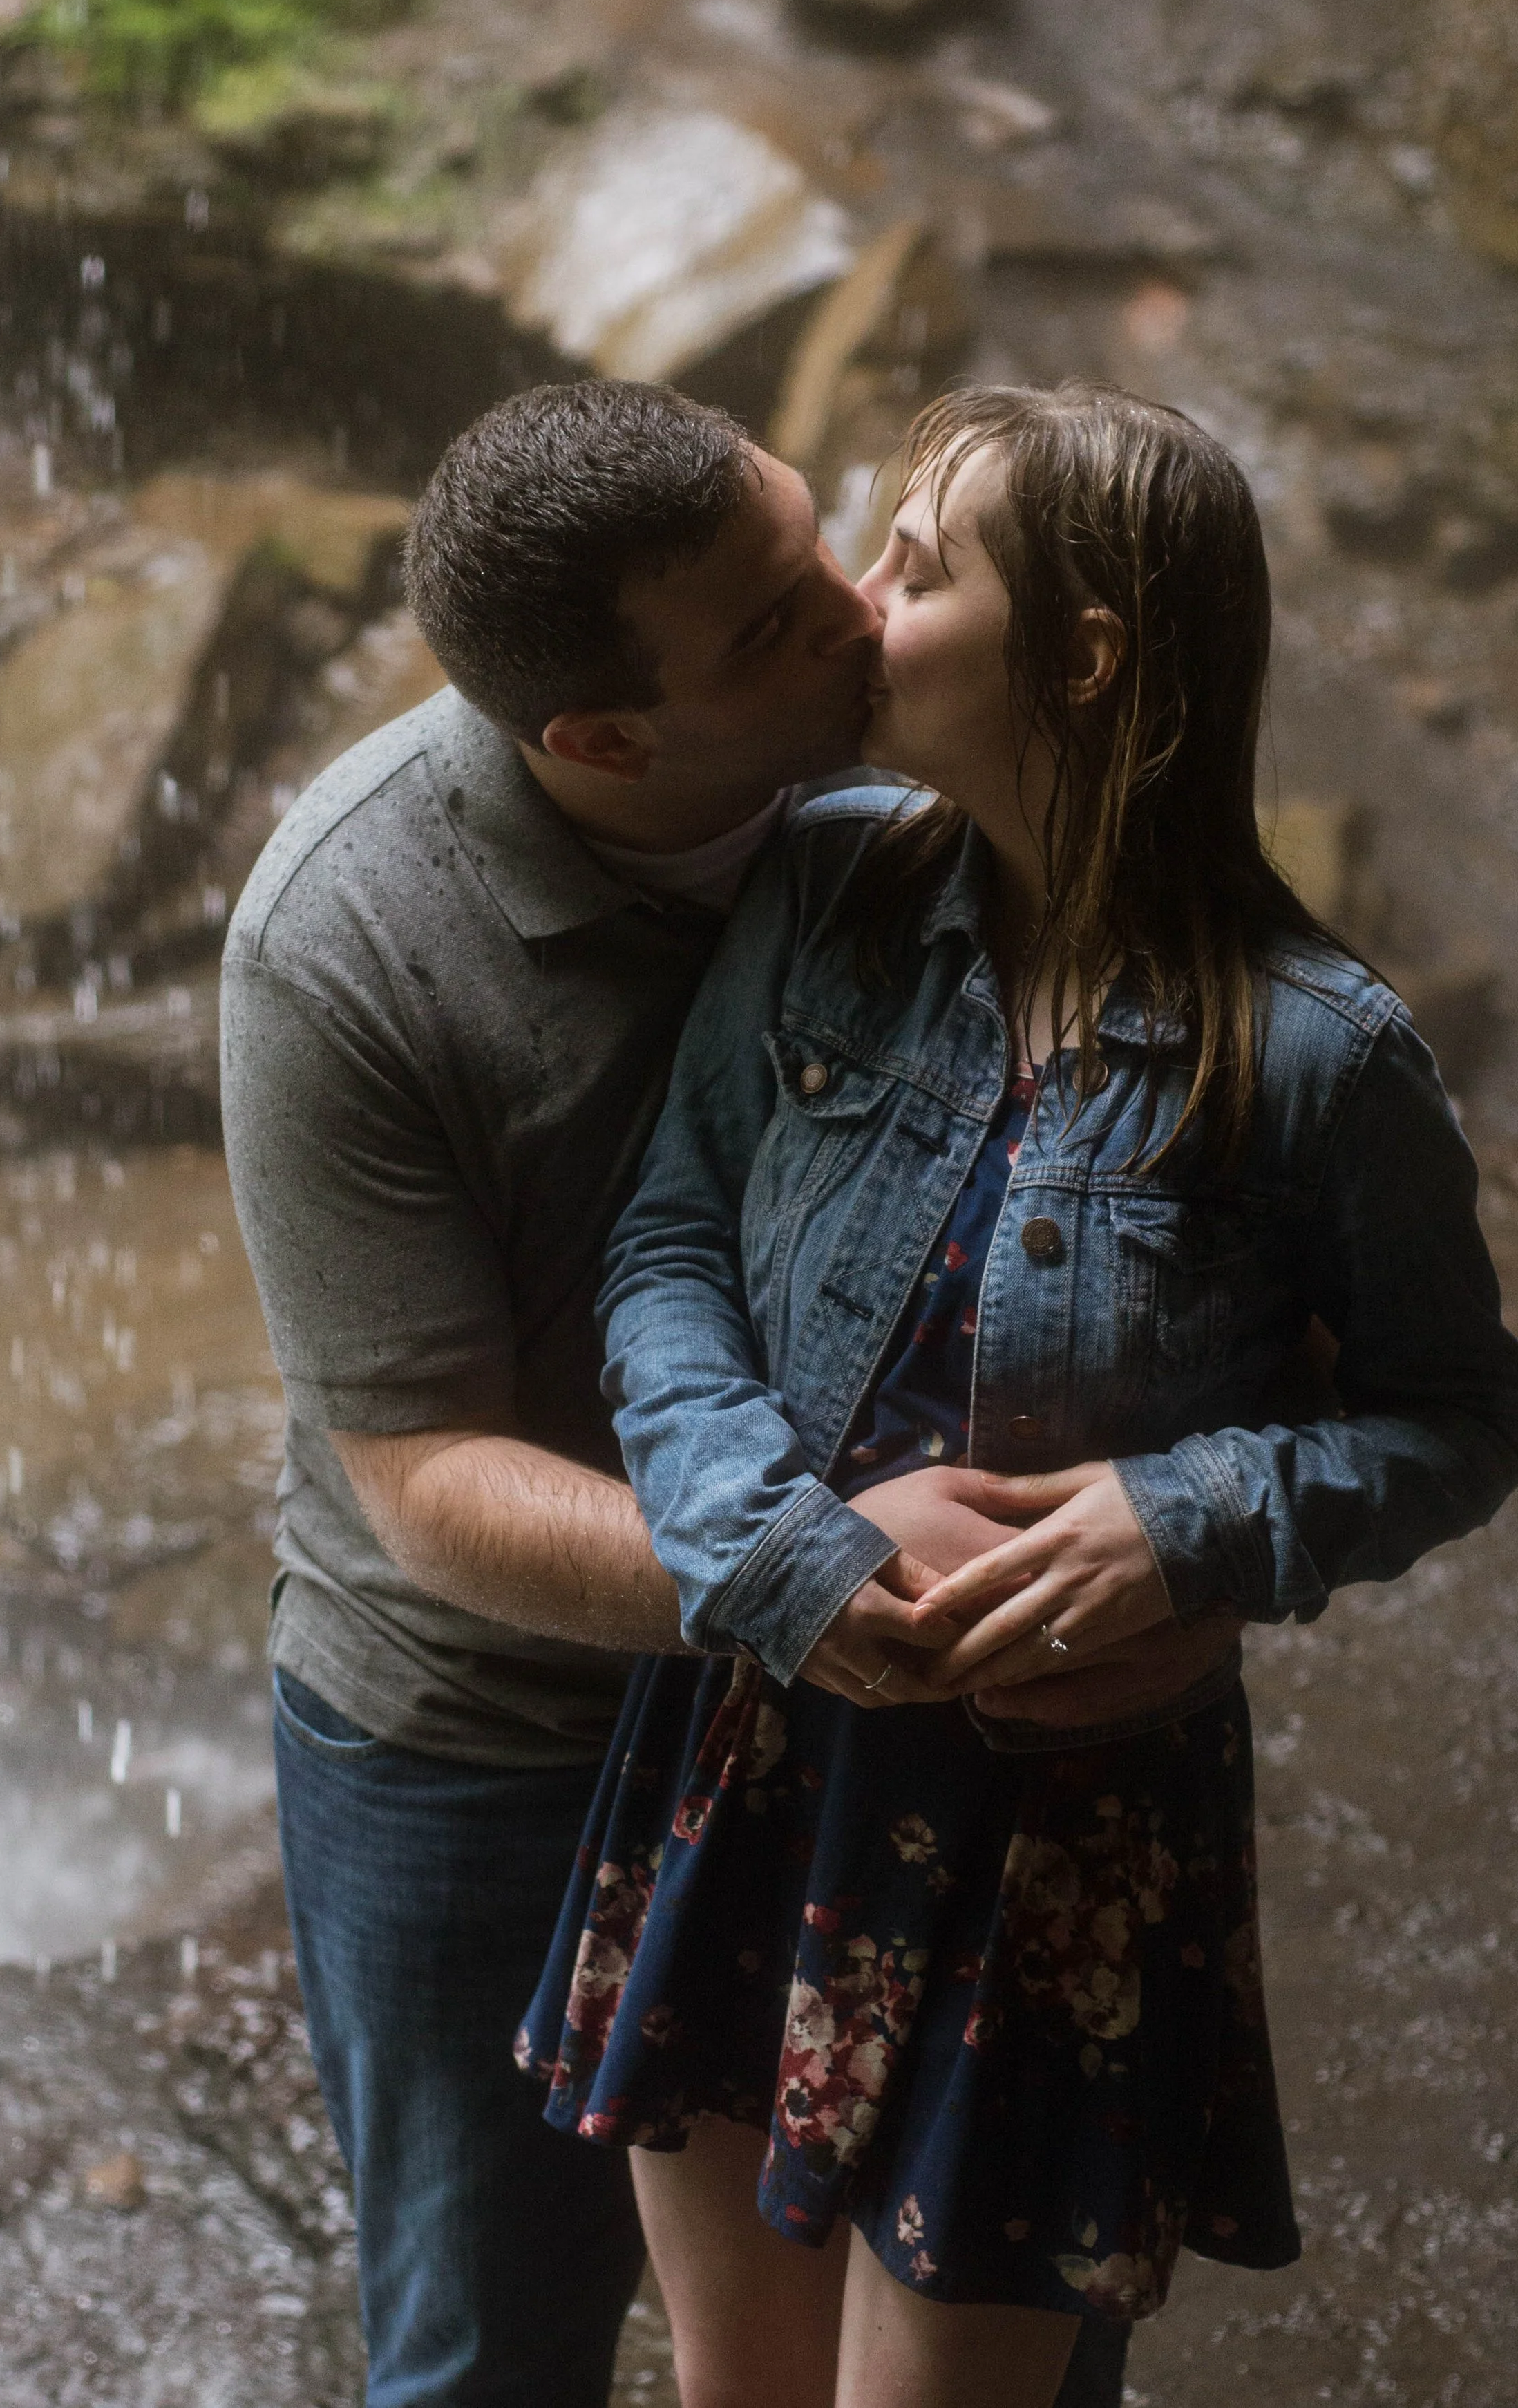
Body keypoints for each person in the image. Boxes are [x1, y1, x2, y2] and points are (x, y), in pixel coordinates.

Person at [518, 382, 1518, 2408]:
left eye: (920, 559)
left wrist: (1194, 1519)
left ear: (1079, 659)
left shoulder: (1321, 1058)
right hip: (762, 1737)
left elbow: (1458, 1419)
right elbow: (662, 1254)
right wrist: (772, 1550)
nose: (856, 597)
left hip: (1060, 1846)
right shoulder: (824, 887)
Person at [220, 380, 1209, 2406]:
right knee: (492, 2342)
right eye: (768, 629)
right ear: (598, 738)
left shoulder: (906, 807)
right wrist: (799, 1572)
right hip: (484, 1734)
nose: (861, 618)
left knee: (994, 2311)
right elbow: (414, 1473)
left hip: (877, 1718)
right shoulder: (347, 945)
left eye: (821, 544)